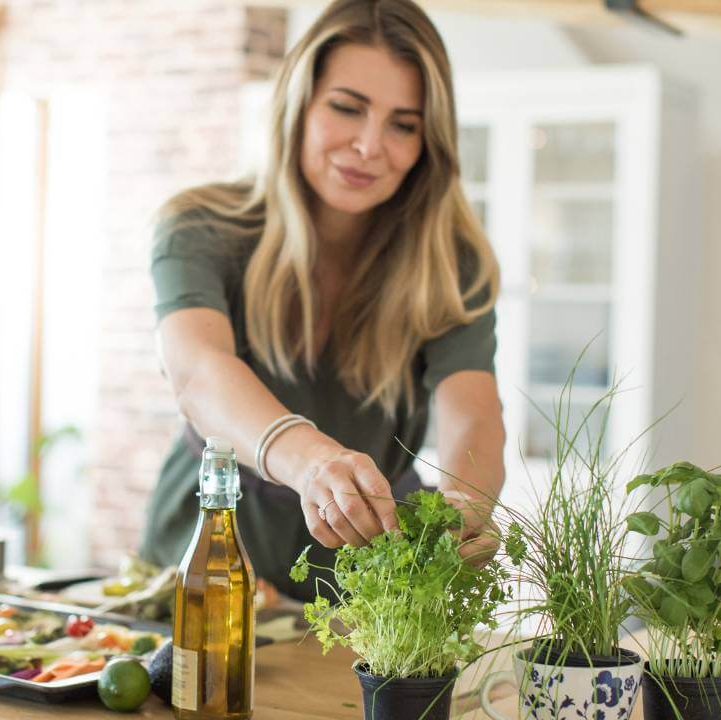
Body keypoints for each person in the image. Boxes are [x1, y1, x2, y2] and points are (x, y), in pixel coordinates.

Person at [139, 0, 504, 602]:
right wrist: (313, 464)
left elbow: (474, 413)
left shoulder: (454, 262)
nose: (368, 146)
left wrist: (465, 505)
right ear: (298, 105)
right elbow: (199, 374)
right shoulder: (197, 226)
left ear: (428, 142)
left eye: (403, 124)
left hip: (370, 566)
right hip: (208, 541)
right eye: (346, 108)